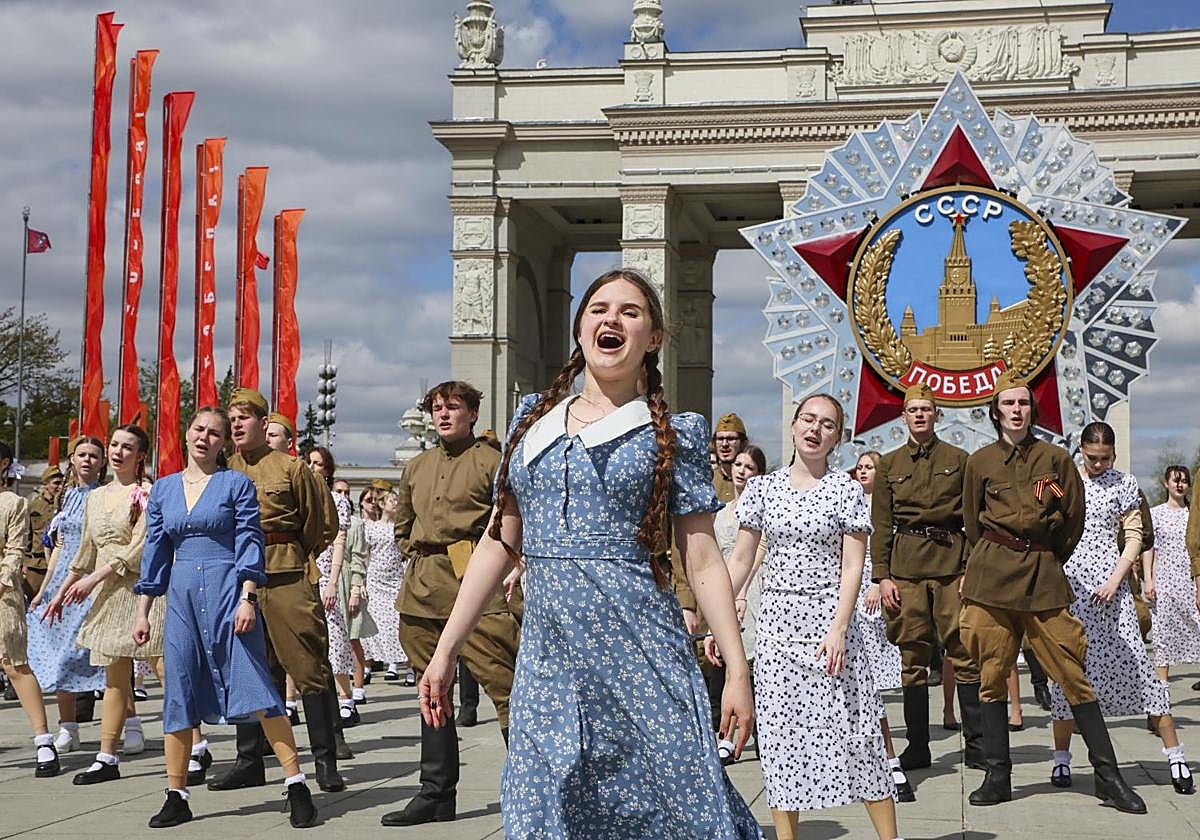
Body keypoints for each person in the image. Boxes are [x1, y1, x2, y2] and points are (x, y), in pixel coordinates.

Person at [417, 270, 761, 839]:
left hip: (642, 650)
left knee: (670, 802)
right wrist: (446, 648)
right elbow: (501, 540)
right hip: (549, 659)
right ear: (580, 328)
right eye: (599, 308)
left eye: (630, 312)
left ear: (653, 337)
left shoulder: (675, 431)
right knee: (548, 799)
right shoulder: (533, 420)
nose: (612, 320)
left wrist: (736, 670)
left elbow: (701, 560)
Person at [959, 371, 1145, 813]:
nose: (1016, 410)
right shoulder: (980, 462)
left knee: (1072, 672)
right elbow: (971, 521)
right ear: (996, 410)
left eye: (1023, 403)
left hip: (1043, 575)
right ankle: (997, 775)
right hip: (993, 578)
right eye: (1008, 404)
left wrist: (1046, 555)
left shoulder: (1056, 459)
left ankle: (1108, 777)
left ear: (1031, 409)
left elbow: (1073, 519)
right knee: (991, 673)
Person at [722, 395, 900, 840]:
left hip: (831, 626)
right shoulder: (763, 489)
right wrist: (719, 616)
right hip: (778, 628)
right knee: (782, 744)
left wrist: (840, 627)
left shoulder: (846, 490)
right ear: (794, 424)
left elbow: (853, 565)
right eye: (808, 419)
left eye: (827, 424)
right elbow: (742, 560)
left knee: (857, 735)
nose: (815, 429)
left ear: (837, 437)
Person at [134, 406, 317, 828]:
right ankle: (176, 793)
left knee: (256, 687)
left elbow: (250, 540)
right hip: (180, 599)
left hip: (228, 594)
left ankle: (296, 785)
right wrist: (143, 612)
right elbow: (156, 553)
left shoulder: (236, 484)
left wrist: (247, 597)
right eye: (199, 429)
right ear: (186, 433)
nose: (205, 437)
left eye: (215, 433)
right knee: (178, 691)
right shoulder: (162, 490)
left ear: (224, 443)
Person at [381, 380, 522, 827]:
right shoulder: (417, 466)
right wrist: (420, 560)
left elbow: (512, 524)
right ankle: (436, 793)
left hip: (477, 585)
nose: (443, 415)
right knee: (431, 690)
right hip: (423, 589)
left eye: (453, 407)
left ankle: (529, 787)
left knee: (508, 690)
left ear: (473, 413)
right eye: (437, 408)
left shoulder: (493, 463)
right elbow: (404, 525)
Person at [207, 389, 344, 794]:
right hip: (235, 579)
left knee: (308, 667)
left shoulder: (292, 468)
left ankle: (325, 761)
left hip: (286, 574)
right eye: (232, 417)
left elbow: (322, 524)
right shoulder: (222, 471)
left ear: (264, 424)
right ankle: (250, 760)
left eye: (246, 416)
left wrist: (291, 552)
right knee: (247, 669)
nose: (237, 423)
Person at [1046, 423, 1192, 795]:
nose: (1098, 465)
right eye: (1092, 458)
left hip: (1112, 580)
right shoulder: (1062, 481)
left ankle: (1174, 755)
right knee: (1067, 668)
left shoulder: (1123, 483)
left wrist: (1118, 578)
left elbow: (1135, 534)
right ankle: (1061, 758)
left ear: (1114, 454)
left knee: (1139, 665)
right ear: (1080, 450)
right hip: (1071, 583)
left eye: (1105, 459)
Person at [43, 425, 167, 785]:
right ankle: (106, 756)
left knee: (164, 670)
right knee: (114, 678)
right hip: (105, 593)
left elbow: (143, 546)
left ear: (140, 455)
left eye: (127, 447)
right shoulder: (95, 497)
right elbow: (83, 553)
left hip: (143, 590)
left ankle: (195, 746)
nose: (117, 452)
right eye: (114, 444)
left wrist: (95, 578)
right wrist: (60, 593)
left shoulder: (147, 493)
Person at [871, 384, 983, 774]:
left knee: (965, 651)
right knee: (912, 657)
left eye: (926, 409)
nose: (919, 415)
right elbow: (882, 524)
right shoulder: (888, 464)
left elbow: (973, 518)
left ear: (937, 415)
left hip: (952, 563)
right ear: (903, 417)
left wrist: (971, 569)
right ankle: (918, 746)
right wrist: (881, 576)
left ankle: (977, 745)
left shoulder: (960, 459)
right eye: (913, 410)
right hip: (907, 569)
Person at [26, 436, 107, 753]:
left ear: (102, 462)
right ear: (72, 459)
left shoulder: (103, 496)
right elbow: (58, 547)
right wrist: (44, 590)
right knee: (61, 656)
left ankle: (130, 722)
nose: (87, 460)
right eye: (82, 454)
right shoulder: (66, 496)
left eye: (93, 456)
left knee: (103, 658)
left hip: (91, 581)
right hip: (62, 583)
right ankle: (68, 727)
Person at [854, 450, 914, 803]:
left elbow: (887, 547)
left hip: (875, 589)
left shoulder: (887, 505)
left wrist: (880, 580)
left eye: (870, 467)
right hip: (846, 591)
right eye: (859, 467)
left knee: (871, 682)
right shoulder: (847, 497)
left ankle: (889, 760)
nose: (863, 472)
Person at [0, 440, 60, 778]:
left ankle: (43, 740)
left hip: (3, 592)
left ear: (5, 463)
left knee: (14, 665)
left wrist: (4, 580)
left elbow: (16, 548)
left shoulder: (14, 503)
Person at [712, 444, 767, 766]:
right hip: (725, 587)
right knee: (728, 661)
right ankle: (726, 736)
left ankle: (763, 732)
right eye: (739, 465)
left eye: (749, 467)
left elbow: (759, 551)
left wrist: (743, 593)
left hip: (756, 586)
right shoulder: (721, 512)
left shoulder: (763, 509)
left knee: (757, 663)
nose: (742, 471)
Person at [305, 448, 358, 727]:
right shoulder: (301, 495)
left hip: (327, 573)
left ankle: (346, 697)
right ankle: (291, 701)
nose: (313, 467)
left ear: (328, 470)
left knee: (334, 637)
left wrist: (334, 582)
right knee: (300, 639)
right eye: (310, 462)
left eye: (319, 464)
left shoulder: (337, 500)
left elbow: (340, 542)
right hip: (304, 572)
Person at [1147, 466, 1200, 682]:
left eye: (1184, 481)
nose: (1180, 485)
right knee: (1162, 632)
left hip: (1189, 579)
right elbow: (1150, 548)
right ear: (1165, 483)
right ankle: (1162, 687)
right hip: (1165, 580)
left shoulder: (1193, 514)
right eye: (1175, 480)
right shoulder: (1155, 513)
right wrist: (1149, 580)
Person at [361, 489, 412, 686]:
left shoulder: (399, 528)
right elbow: (366, 555)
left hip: (396, 579)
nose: (395, 503)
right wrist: (362, 581)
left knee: (398, 622)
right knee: (374, 623)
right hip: (375, 580)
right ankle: (370, 665)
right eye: (392, 500)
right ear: (382, 504)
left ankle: (407, 667)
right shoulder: (371, 528)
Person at [334, 478, 377, 709]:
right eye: (338, 490)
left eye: (346, 491)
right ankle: (339, 689)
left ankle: (358, 686)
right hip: (328, 580)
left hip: (348, 579)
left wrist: (355, 591)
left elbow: (359, 559)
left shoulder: (356, 524)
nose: (342, 494)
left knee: (352, 638)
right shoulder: (326, 518)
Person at [22, 465, 63, 601]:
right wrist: (25, 563)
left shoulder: (64, 505)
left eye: (61, 483)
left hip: (58, 563)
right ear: (45, 484)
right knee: (31, 600)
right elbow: (27, 535)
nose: (60, 487)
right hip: (37, 566)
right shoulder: (34, 505)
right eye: (56, 483)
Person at [712, 413, 748, 504]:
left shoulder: (755, 483)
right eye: (720, 439)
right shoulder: (707, 481)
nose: (724, 444)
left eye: (731, 438)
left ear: (743, 443)